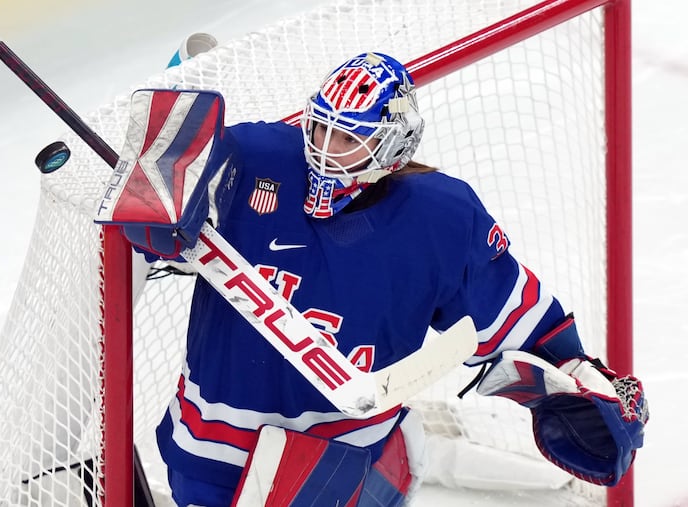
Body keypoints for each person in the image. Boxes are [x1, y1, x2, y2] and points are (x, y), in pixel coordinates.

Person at [114, 52, 648, 506]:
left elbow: (513, 315)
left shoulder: (441, 218)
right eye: (317, 126)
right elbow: (161, 210)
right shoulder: (254, 160)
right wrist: (164, 190)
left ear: (393, 143)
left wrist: (577, 369)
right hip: (216, 452)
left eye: (345, 136)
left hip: (344, 460)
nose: (323, 146)